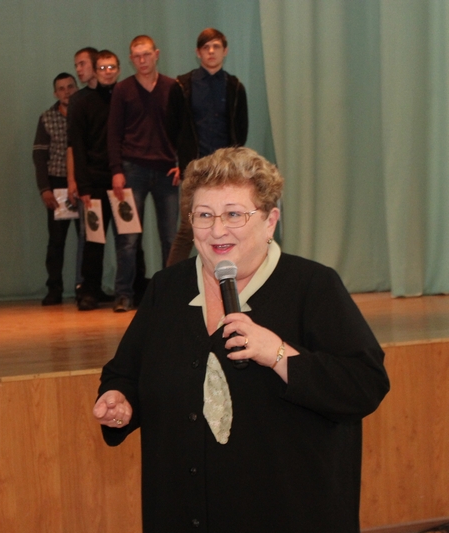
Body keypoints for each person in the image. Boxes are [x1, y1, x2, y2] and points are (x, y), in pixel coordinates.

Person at [93, 147, 390, 532]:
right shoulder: (167, 288)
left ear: (270, 221)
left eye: (234, 214)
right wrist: (120, 400)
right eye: (204, 215)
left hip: (289, 516)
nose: (218, 230)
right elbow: (125, 373)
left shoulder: (312, 286)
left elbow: (365, 384)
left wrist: (279, 354)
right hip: (182, 514)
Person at [165, 28, 249, 266]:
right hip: (194, 169)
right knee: (188, 228)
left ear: (225, 51)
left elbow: (241, 130)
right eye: (206, 47)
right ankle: (169, 284)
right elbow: (172, 127)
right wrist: (183, 161)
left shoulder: (235, 87)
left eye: (216, 46)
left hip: (226, 170)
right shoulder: (182, 85)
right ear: (198, 52)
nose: (211, 51)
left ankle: (227, 278)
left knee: (228, 227)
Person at [108, 35, 179, 313]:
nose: (142, 60)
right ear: (130, 59)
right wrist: (116, 170)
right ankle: (123, 294)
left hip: (167, 172)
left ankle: (171, 294)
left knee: (170, 238)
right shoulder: (122, 89)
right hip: (131, 171)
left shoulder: (172, 87)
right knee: (127, 238)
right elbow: (113, 133)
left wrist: (182, 163)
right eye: (136, 56)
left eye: (146, 54)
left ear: (156, 54)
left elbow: (183, 130)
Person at [67, 50, 121, 311]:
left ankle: (129, 290)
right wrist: (82, 184)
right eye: (102, 68)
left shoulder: (122, 95)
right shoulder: (79, 101)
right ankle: (89, 291)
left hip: (121, 180)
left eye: (83, 64)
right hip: (93, 181)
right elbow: (76, 145)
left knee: (129, 238)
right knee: (93, 239)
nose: (79, 69)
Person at [33, 72, 80, 305]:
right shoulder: (47, 118)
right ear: (55, 93)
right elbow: (39, 156)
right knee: (56, 241)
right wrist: (45, 189)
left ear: (77, 88)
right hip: (57, 185)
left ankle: (87, 288)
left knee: (89, 240)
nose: (66, 92)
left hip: (84, 184)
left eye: (70, 87)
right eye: (61, 88)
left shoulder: (85, 113)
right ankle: (54, 289)